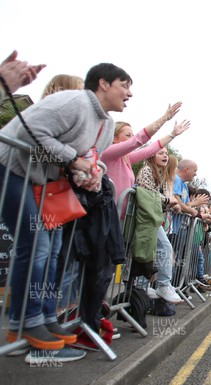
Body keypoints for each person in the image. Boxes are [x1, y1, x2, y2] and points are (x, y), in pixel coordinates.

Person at [0, 62, 132, 350]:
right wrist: (74, 160)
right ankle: (25, 321)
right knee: (36, 245)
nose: (129, 93)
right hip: (10, 169)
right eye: (125, 85)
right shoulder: (72, 102)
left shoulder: (107, 124)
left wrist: (90, 173)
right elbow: (30, 133)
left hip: (44, 183)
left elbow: (91, 157)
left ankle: (46, 316)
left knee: (54, 248)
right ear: (104, 83)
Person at [101, 103, 190, 204]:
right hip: (105, 211)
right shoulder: (107, 152)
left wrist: (172, 134)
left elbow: (151, 150)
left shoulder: (126, 158)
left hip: (119, 215)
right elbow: (139, 139)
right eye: (128, 135)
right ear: (113, 138)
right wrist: (164, 118)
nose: (131, 138)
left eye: (132, 135)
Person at [135, 148, 184, 304]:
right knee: (163, 248)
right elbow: (147, 194)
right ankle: (162, 285)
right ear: (151, 155)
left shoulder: (156, 173)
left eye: (166, 153)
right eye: (160, 153)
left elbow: (155, 196)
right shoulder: (147, 171)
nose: (165, 156)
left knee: (149, 251)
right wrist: (169, 202)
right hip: (146, 218)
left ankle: (142, 286)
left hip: (151, 218)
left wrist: (169, 203)